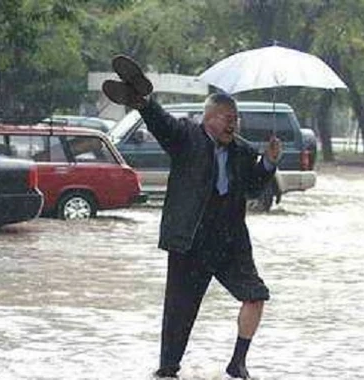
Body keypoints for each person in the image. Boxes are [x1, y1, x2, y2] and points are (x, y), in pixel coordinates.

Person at [103, 55, 282, 379]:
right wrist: (146, 105)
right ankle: (167, 370)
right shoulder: (187, 139)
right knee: (178, 313)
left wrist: (268, 162)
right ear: (209, 118)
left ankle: (237, 363)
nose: (234, 124)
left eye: (236, 119)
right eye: (228, 118)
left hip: (231, 241)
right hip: (190, 239)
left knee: (256, 295)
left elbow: (254, 189)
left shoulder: (242, 150)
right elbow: (162, 124)